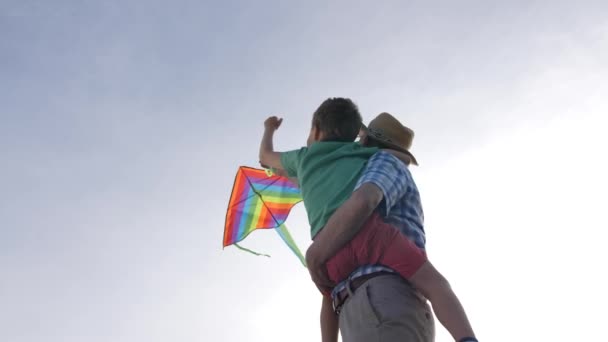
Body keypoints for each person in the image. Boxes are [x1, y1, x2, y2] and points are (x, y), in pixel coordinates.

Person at [258, 98, 477, 342]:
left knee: (328, 296)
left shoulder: (304, 159)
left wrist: (269, 130)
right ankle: (466, 338)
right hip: (370, 238)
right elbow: (394, 159)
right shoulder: (369, 155)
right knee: (435, 283)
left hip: (335, 257)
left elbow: (267, 157)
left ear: (317, 129)